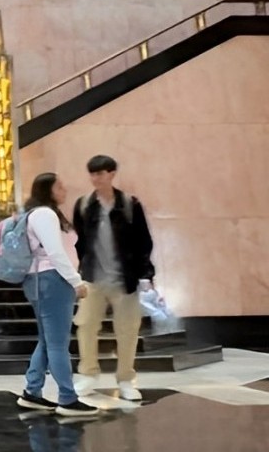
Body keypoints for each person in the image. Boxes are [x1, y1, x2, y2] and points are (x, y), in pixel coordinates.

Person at [71, 155, 155, 402]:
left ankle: (126, 379)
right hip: (93, 278)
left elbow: (143, 241)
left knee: (127, 330)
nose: (95, 178)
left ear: (112, 174)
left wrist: (145, 274)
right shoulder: (84, 205)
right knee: (85, 325)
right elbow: (81, 241)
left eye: (100, 173)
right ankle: (88, 373)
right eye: (92, 174)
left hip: (124, 279)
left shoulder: (129, 204)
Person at [16, 172, 99, 417]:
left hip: (43, 281)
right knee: (58, 343)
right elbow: (55, 252)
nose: (65, 190)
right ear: (48, 190)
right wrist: (75, 281)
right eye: (59, 186)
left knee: (47, 339)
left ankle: (32, 392)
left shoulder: (40, 214)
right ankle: (67, 398)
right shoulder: (44, 214)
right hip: (52, 281)